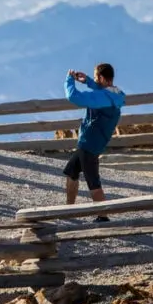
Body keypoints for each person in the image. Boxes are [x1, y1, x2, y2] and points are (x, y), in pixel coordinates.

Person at [63, 63, 125, 221]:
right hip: (93, 142)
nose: (95, 80)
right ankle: (69, 210)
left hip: (89, 143)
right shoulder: (115, 95)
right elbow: (101, 91)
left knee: (93, 182)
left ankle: (103, 217)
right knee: (71, 172)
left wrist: (69, 80)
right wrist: (88, 81)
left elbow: (74, 97)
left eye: (97, 77)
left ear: (103, 79)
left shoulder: (102, 98)